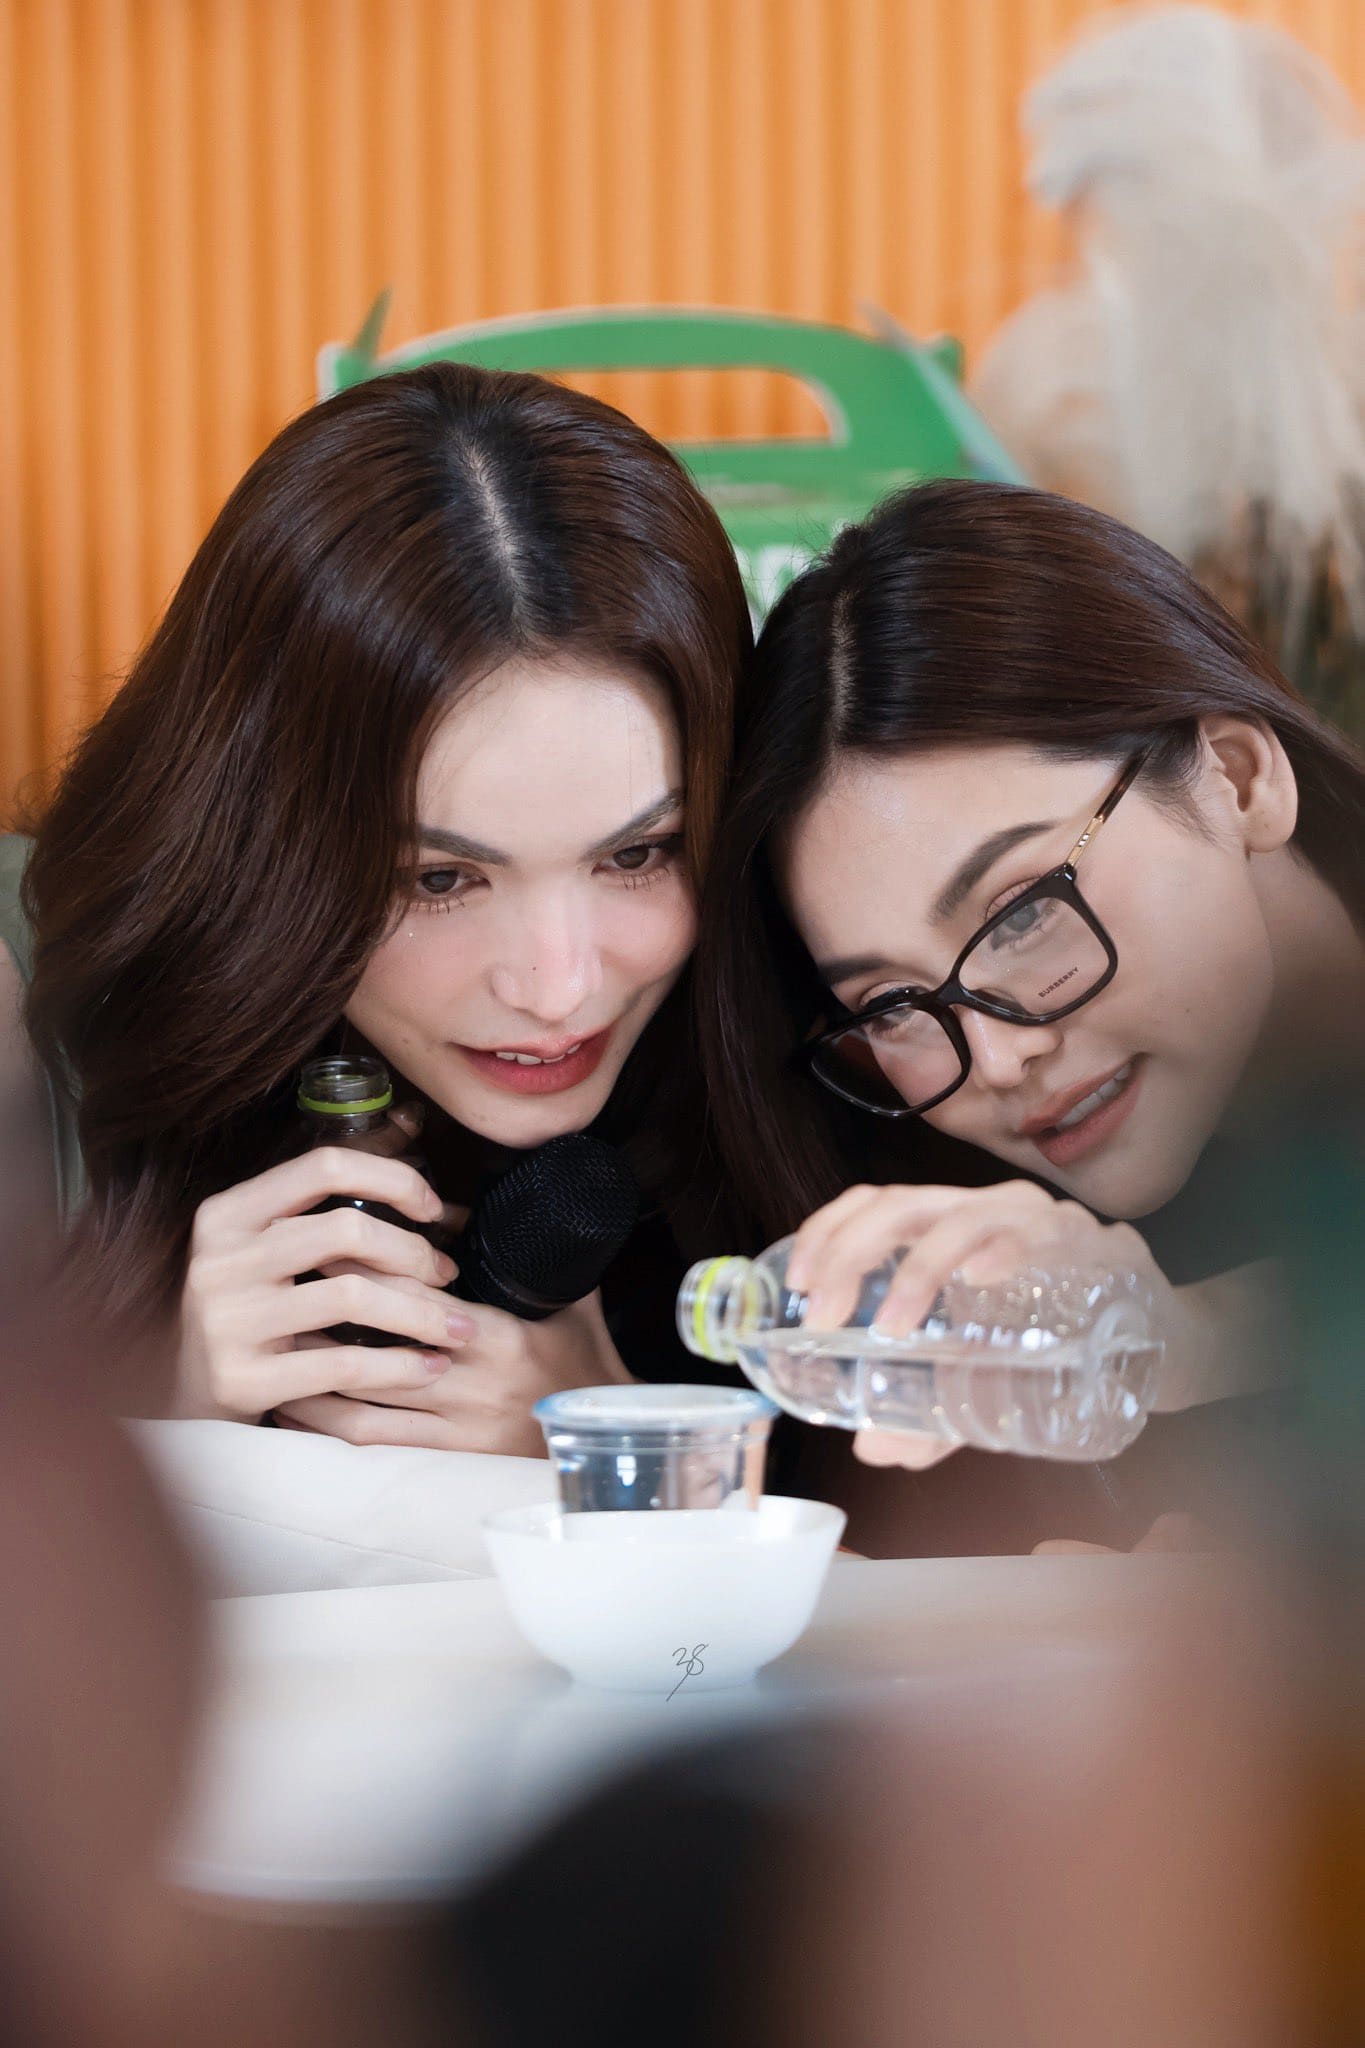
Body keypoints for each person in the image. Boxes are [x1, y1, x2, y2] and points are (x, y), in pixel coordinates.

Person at [3, 361, 749, 1449]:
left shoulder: (815, 1018)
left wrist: (598, 1435)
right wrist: (172, 1431)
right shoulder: (27, 1006)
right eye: (438, 879)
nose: (557, 988)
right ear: (264, 836)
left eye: (638, 853)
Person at [697, 480, 1365, 1552]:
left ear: (1239, 779)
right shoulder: (976, 1228)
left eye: (1019, 916)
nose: (999, 1057)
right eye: (892, 1003)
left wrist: (1180, 1335)